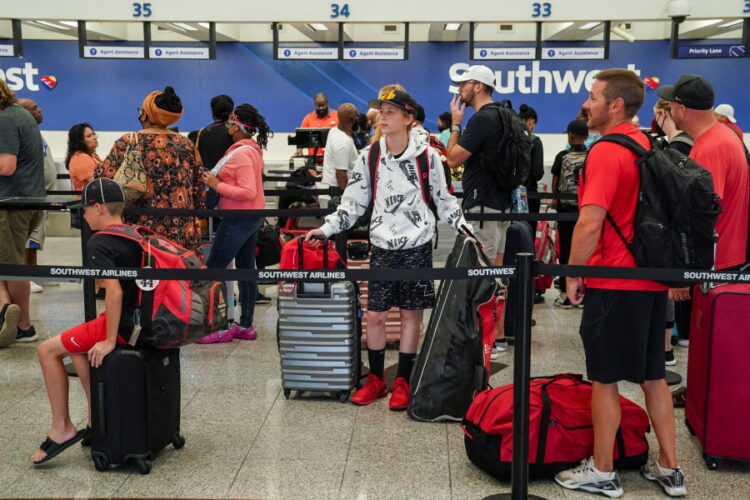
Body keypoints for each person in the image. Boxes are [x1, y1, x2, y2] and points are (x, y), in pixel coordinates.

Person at [555, 68, 685, 498]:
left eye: (593, 97)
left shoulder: (607, 152)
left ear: (615, 105)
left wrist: (572, 274)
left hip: (614, 280)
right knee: (653, 376)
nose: (586, 105)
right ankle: (670, 468)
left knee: (604, 378)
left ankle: (603, 471)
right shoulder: (648, 143)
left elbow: (590, 223)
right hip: (649, 279)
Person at [305, 89, 470, 410]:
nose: (382, 115)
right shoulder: (369, 156)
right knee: (375, 315)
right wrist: (325, 229)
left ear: (409, 118)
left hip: (418, 246)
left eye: (391, 111)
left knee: (411, 316)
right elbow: (352, 204)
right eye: (381, 110)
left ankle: (403, 381)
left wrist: (466, 230)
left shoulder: (429, 157)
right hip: (381, 246)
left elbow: (445, 201)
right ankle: (378, 379)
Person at [30, 178, 139, 464]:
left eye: (86, 209)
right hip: (143, 320)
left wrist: (109, 340)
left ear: (99, 208)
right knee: (78, 347)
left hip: (122, 324)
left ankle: (62, 428)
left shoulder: (101, 241)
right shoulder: (135, 232)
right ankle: (97, 420)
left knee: (46, 350)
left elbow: (113, 291)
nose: (84, 215)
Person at [657, 75, 749, 408]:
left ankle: (712, 402)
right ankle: (702, 395)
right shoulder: (725, 137)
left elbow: (700, 216)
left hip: (715, 262)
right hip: (727, 255)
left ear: (680, 109)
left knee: (712, 340)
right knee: (706, 340)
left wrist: (684, 273)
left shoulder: (711, 147)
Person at [446, 65, 511, 356]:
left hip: (482, 205)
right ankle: (497, 337)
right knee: (497, 272)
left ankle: (490, 340)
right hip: (500, 205)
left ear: (479, 86)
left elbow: (452, 159)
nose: (460, 89)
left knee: (485, 274)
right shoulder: (504, 115)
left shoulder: (482, 119)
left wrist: (456, 124)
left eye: (465, 84)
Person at [96, 86, 205, 254]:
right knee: (179, 277)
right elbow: (199, 186)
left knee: (144, 277)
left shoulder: (129, 141)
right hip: (183, 229)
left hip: (141, 229)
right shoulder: (186, 144)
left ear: (146, 113)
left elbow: (104, 178)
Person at [197, 104, 272, 344]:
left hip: (238, 218)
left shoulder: (241, 154)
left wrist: (216, 184)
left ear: (238, 127)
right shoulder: (251, 150)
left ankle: (216, 327)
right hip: (250, 217)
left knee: (215, 269)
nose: (228, 126)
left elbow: (248, 191)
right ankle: (245, 325)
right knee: (245, 270)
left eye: (231, 122)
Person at [0, 80, 45, 347]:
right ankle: (7, 311)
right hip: (27, 200)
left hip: (11, 205)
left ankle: (24, 325)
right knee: (8, 262)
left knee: (11, 265)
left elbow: (6, 166)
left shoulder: (5, 119)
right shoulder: (20, 114)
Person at [652, 97, 694, 364]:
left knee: (667, 288)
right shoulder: (678, 144)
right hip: (675, 230)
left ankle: (665, 347)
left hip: (674, 231)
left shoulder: (678, 146)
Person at [16, 98, 58, 292]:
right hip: (31, 196)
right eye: (34, 109)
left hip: (44, 197)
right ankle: (25, 278)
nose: (40, 111)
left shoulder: (37, 133)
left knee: (35, 241)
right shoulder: (21, 133)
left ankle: (34, 274)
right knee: (27, 240)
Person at [550, 119, 588, 309]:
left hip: (565, 210)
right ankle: (584, 294)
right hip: (585, 210)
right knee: (586, 250)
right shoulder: (591, 155)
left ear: (570, 135)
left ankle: (566, 294)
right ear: (587, 137)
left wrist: (555, 198)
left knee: (565, 251)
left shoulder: (562, 156)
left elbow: (556, 182)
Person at [321, 103, 358, 192]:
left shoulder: (334, 130)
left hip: (332, 189)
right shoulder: (343, 142)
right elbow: (340, 174)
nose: (358, 118)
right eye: (357, 116)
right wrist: (346, 199)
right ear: (353, 119)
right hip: (337, 192)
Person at [194, 94, 235, 173]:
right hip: (229, 181)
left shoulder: (202, 132)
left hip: (207, 180)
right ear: (231, 113)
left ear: (213, 113)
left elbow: (197, 160)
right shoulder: (235, 132)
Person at [518, 104, 544, 217]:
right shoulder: (535, 141)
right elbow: (537, 173)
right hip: (529, 194)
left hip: (509, 195)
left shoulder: (508, 139)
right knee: (527, 230)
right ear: (531, 122)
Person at [296, 92, 339, 158]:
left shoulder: (337, 116)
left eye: (323, 105)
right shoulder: (308, 118)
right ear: (315, 104)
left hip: (333, 159)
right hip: (312, 159)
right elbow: (302, 138)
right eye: (318, 106)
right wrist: (299, 150)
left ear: (327, 102)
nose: (321, 108)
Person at [66, 123, 101, 193]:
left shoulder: (92, 155)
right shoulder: (81, 159)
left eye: (93, 134)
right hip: (90, 201)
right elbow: (98, 185)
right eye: (89, 136)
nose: (94, 137)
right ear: (80, 141)